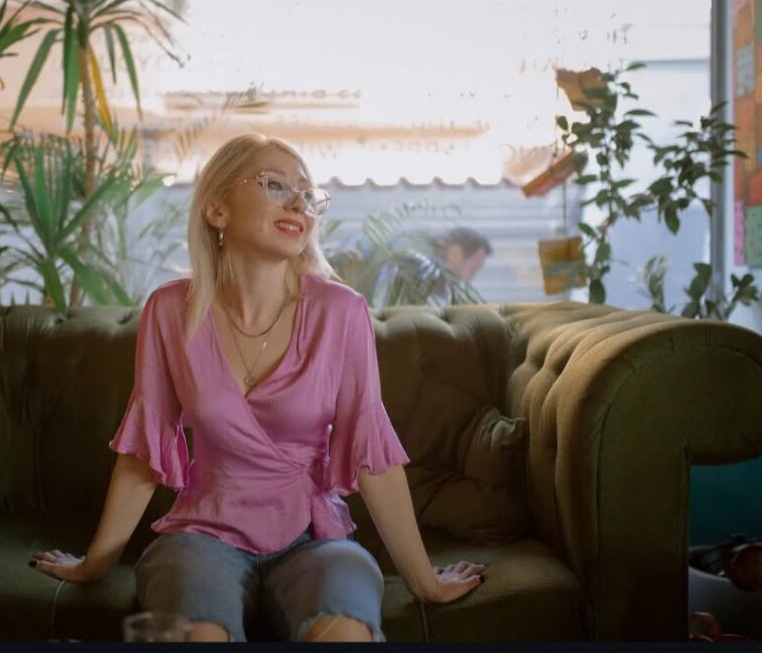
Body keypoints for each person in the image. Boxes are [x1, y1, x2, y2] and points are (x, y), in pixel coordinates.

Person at [28, 133, 488, 642]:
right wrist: (94, 563)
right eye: (274, 185)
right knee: (200, 634)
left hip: (317, 541)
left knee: (344, 634)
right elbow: (145, 451)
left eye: (307, 195)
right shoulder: (169, 311)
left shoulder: (342, 312)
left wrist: (425, 582)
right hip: (200, 538)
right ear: (216, 209)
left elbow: (372, 457)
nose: (298, 204)